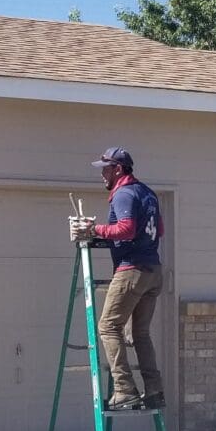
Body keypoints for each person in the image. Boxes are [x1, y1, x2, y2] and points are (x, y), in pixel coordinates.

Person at [71, 148, 165, 410]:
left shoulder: (123, 193)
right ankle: (154, 390)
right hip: (152, 269)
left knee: (108, 327)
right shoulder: (148, 193)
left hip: (131, 270)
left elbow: (126, 228)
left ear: (118, 170)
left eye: (105, 168)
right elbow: (160, 230)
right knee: (141, 333)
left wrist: (94, 229)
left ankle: (124, 390)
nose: (102, 174)